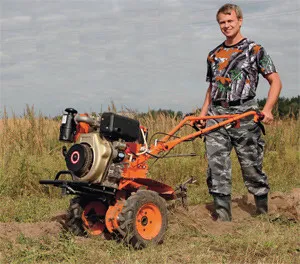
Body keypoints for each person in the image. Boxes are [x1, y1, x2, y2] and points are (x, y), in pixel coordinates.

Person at [198, 3, 282, 221]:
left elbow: (275, 81)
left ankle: (262, 212)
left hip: (245, 114)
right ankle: (223, 218)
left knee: (251, 165)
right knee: (217, 165)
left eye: (230, 21)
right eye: (222, 23)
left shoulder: (255, 50)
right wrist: (202, 114)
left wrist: (268, 110)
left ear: (240, 21)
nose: (226, 26)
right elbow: (212, 88)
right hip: (217, 115)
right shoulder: (214, 55)